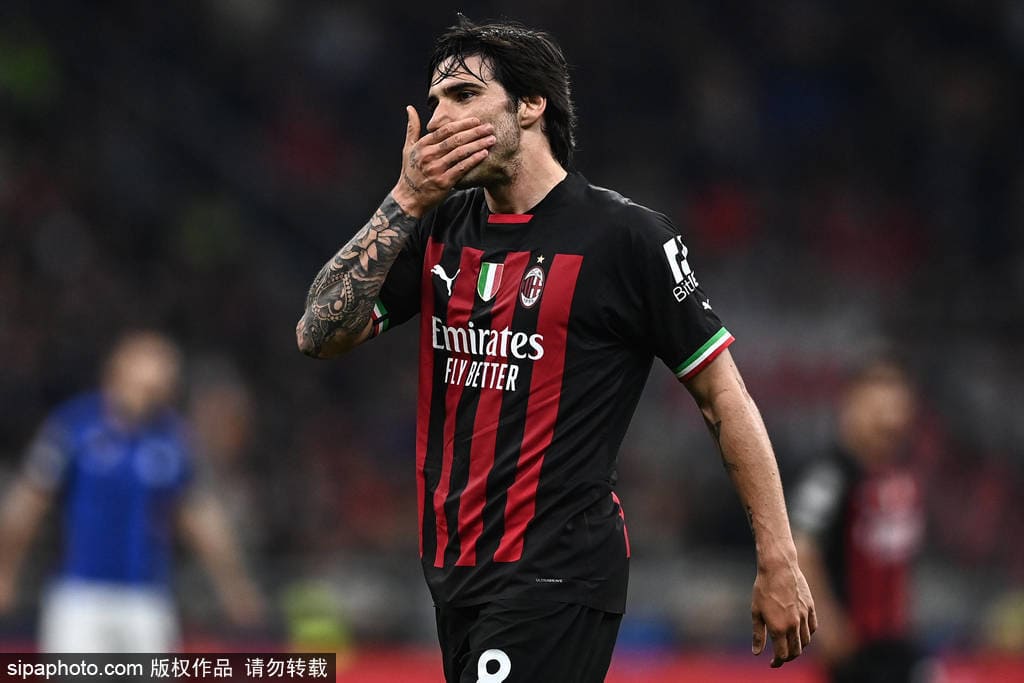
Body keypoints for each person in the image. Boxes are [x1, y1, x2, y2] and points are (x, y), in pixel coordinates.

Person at [295, 16, 815, 682]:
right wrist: (404, 198)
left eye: (463, 95)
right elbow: (318, 333)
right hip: (456, 575)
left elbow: (724, 396)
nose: (439, 120)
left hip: (557, 571)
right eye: (435, 102)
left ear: (531, 104)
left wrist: (778, 557)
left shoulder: (626, 239)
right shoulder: (438, 227)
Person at [0, 331, 264, 652]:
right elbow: (29, 501)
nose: (163, 377)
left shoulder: (173, 439)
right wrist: (5, 570)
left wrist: (234, 586)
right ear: (120, 368)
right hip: (80, 596)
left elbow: (199, 517)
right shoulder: (74, 426)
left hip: (147, 598)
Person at [791, 357, 926, 683]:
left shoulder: (898, 477)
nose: (890, 424)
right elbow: (800, 548)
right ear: (851, 409)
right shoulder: (830, 477)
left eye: (896, 413)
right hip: (855, 651)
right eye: (879, 414)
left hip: (895, 642)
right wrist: (826, 624)